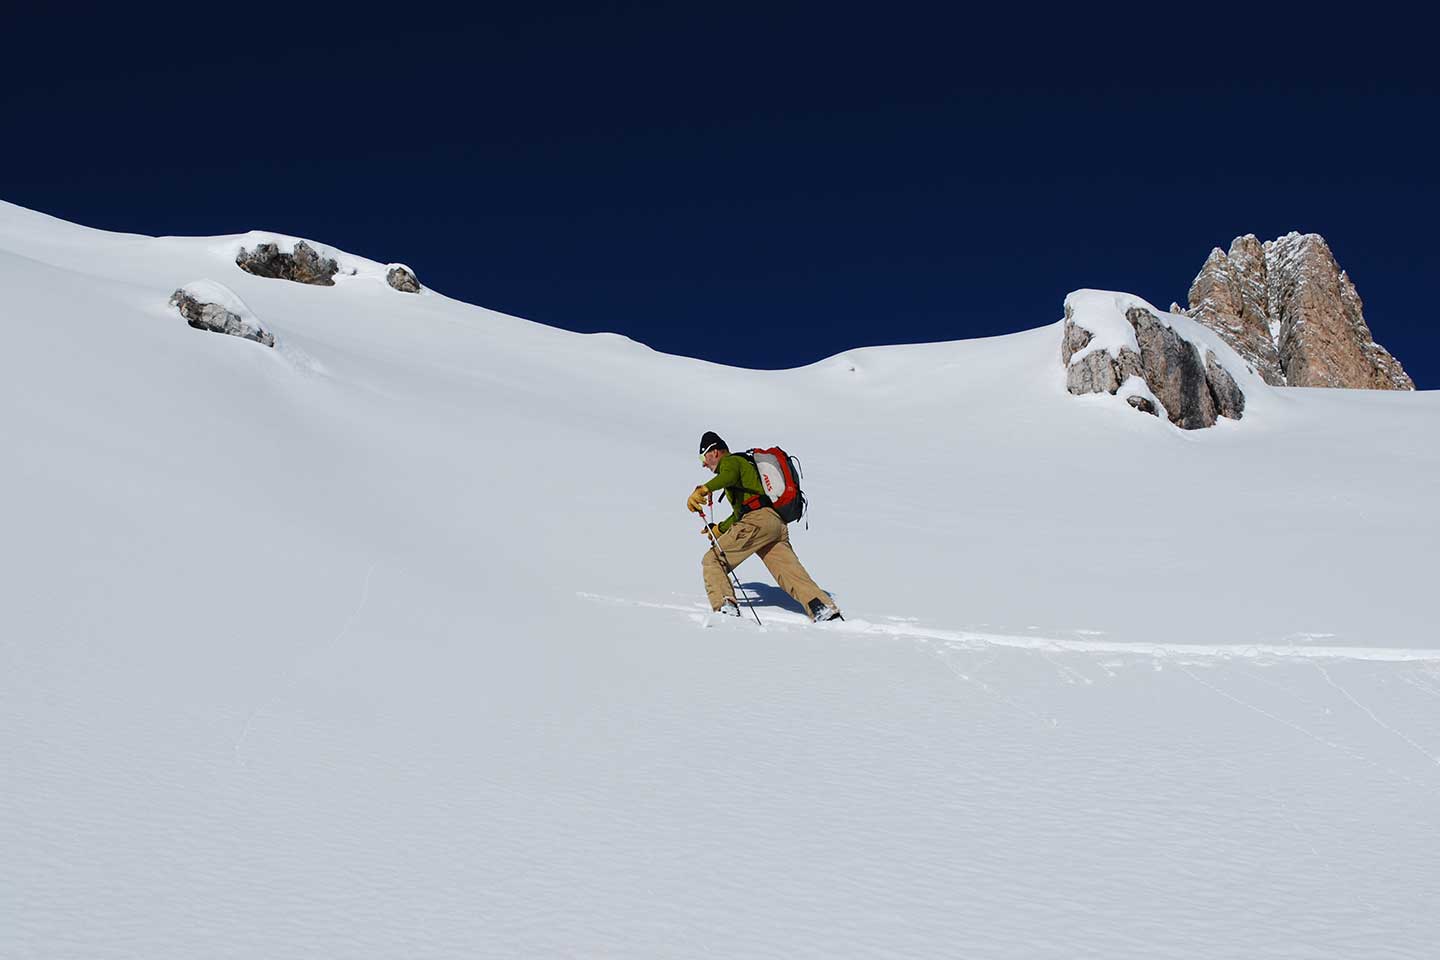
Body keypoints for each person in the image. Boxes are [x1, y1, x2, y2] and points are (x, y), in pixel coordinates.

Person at [687, 431, 842, 621]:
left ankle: (726, 609)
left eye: (703, 457)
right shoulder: (741, 466)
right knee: (789, 572)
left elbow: (728, 476)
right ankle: (822, 608)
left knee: (713, 560)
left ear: (715, 452)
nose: (703, 464)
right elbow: (739, 513)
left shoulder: (730, 462)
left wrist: (704, 489)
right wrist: (720, 529)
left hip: (757, 521)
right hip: (774, 524)